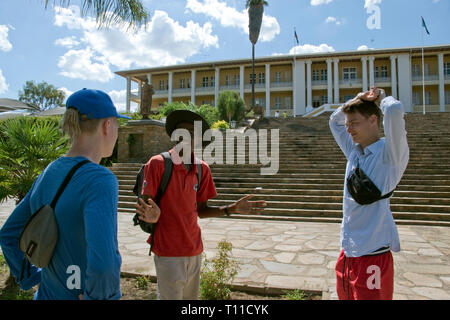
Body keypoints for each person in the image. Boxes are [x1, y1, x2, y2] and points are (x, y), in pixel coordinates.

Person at [0, 89, 130, 300]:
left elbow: (8, 235)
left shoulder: (49, 172)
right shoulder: (99, 179)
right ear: (107, 126)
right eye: (117, 124)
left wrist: (30, 277)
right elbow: (104, 262)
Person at [134, 109, 267, 300]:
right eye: (182, 131)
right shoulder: (157, 164)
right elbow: (144, 206)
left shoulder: (201, 169)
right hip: (168, 252)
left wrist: (232, 209)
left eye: (193, 133)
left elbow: (202, 211)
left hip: (195, 250)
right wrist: (151, 215)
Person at [329, 87, 409, 300]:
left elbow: (393, 109)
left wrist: (380, 97)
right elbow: (333, 122)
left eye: (354, 123)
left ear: (373, 120)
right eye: (348, 125)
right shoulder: (353, 152)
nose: (348, 129)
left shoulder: (391, 155)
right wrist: (357, 99)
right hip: (347, 252)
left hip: (373, 253)